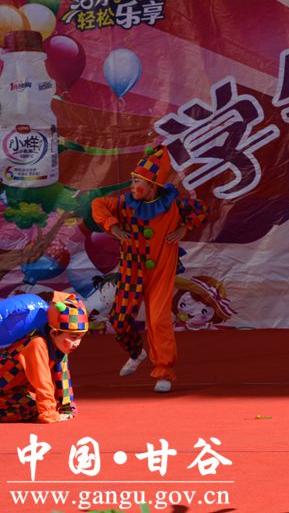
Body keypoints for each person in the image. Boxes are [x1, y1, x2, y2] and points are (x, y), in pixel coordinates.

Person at [91, 145, 208, 393]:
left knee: (158, 320)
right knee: (119, 320)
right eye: (133, 180)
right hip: (132, 270)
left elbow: (200, 208)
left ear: (153, 185)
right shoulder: (124, 204)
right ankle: (136, 352)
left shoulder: (173, 205)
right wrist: (112, 225)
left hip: (161, 270)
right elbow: (98, 204)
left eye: (138, 181)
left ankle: (164, 371)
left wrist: (184, 228)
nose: (133, 186)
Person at [0, 292, 88, 423]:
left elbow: (62, 376)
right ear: (53, 333)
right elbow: (42, 381)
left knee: (32, 407)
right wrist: (48, 413)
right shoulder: (37, 344)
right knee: (31, 410)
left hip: (11, 390)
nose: (77, 343)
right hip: (4, 388)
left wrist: (66, 407)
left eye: (81, 337)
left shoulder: (60, 345)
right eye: (73, 337)